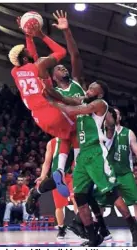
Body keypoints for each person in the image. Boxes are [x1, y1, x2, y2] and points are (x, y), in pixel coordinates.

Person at [47, 81, 137, 247]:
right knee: (80, 197)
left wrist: (51, 103)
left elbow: (72, 109)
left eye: (92, 89)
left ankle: (135, 230)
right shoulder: (83, 101)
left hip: (96, 152)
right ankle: (93, 237)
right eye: (88, 87)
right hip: (83, 154)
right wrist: (47, 90)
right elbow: (66, 98)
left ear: (99, 94)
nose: (88, 89)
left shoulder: (100, 104)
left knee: (111, 193)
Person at [23, 10, 86, 196]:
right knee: (68, 169)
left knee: (76, 170)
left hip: (81, 130)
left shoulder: (76, 81)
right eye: (58, 67)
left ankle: (48, 182)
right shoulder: (51, 91)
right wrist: (30, 37)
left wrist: (67, 31)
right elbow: (36, 61)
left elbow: (75, 55)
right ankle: (43, 187)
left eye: (63, 66)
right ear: (52, 76)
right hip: (69, 128)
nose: (62, 67)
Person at [98, 107, 137, 243]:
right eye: (110, 114)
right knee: (100, 205)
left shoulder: (128, 133)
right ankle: (97, 233)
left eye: (116, 114)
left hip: (125, 173)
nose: (113, 116)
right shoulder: (101, 132)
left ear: (119, 117)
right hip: (106, 174)